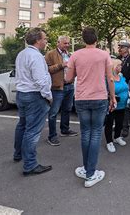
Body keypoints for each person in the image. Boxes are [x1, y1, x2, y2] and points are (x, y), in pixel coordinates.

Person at [66, 27, 117, 188]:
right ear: (96, 39)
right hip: (99, 97)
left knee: (85, 133)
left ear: (83, 40)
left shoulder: (75, 55)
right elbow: (110, 78)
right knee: (95, 134)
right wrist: (113, 97)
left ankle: (87, 168)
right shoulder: (104, 55)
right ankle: (91, 173)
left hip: (81, 98)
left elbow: (68, 78)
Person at [13, 27, 53, 176]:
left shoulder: (22, 54)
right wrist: (48, 97)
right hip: (34, 96)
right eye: (45, 39)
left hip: (22, 94)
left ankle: (18, 154)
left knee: (22, 126)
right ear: (37, 40)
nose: (46, 41)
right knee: (32, 131)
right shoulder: (36, 57)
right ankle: (30, 165)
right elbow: (41, 80)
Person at [45, 36, 78, 146]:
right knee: (53, 113)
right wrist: (61, 65)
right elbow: (46, 69)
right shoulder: (51, 54)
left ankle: (65, 130)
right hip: (57, 87)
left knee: (67, 109)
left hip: (69, 86)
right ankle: (52, 136)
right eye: (65, 43)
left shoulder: (69, 54)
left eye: (68, 43)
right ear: (58, 43)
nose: (67, 45)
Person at [104, 59, 129, 153]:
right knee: (109, 123)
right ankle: (109, 142)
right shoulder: (108, 78)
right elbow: (105, 91)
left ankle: (117, 137)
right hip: (112, 104)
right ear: (114, 67)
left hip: (122, 105)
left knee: (120, 122)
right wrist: (111, 96)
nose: (121, 67)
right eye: (119, 65)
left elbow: (126, 87)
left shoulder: (121, 76)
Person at [117, 41, 130, 138]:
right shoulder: (117, 59)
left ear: (126, 48)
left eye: (121, 47)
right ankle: (118, 125)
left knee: (126, 108)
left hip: (127, 87)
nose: (119, 49)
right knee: (117, 107)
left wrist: (129, 85)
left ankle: (125, 128)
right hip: (117, 87)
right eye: (119, 47)